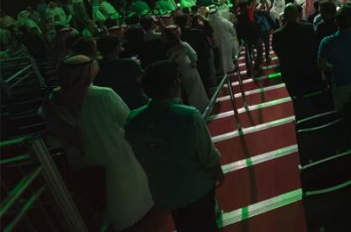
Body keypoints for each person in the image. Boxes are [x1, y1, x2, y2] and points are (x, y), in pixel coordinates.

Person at [40, 55, 153, 231]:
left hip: (80, 160)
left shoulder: (53, 100)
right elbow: (127, 121)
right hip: (114, 155)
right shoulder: (103, 95)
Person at [125, 61, 222, 232]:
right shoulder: (188, 116)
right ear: (174, 85)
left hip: (164, 189)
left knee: (182, 223)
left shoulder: (134, 119)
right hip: (196, 188)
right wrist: (218, 173)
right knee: (206, 224)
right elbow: (207, 155)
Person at [318, 6, 351, 111]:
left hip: (340, 83)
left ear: (336, 22)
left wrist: (336, 68)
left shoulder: (327, 42)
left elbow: (321, 64)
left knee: (342, 114)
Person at [272, 3, 322, 96]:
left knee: (297, 97)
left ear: (285, 16)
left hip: (290, 71)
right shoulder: (308, 28)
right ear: (297, 15)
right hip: (309, 68)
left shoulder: (277, 35)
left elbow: (278, 51)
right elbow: (315, 46)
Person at [94, 35, 148, 110]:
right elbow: (144, 80)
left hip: (108, 107)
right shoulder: (129, 63)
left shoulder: (95, 67)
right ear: (117, 48)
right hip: (135, 104)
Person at [163, 26, 209, 111]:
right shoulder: (183, 44)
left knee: (186, 93)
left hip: (179, 73)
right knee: (196, 90)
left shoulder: (167, 48)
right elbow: (193, 55)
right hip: (188, 68)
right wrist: (193, 63)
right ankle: (201, 107)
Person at [207, 5, 239, 75]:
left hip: (215, 43)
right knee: (226, 56)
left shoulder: (207, 23)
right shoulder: (223, 21)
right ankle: (229, 68)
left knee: (219, 57)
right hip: (226, 42)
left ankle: (221, 70)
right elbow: (232, 31)